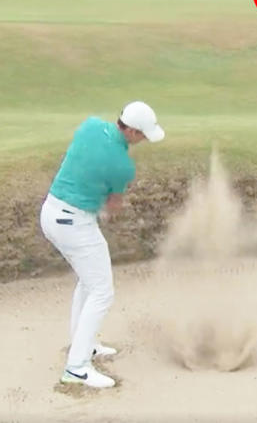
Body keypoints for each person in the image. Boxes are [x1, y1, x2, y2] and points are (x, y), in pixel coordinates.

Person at [39, 101, 165, 388]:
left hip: (51, 212)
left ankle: (83, 346)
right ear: (132, 131)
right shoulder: (122, 166)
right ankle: (77, 368)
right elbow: (113, 205)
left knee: (88, 282)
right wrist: (107, 203)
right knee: (102, 291)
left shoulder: (90, 125)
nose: (144, 140)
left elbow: (84, 156)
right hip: (74, 224)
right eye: (143, 134)